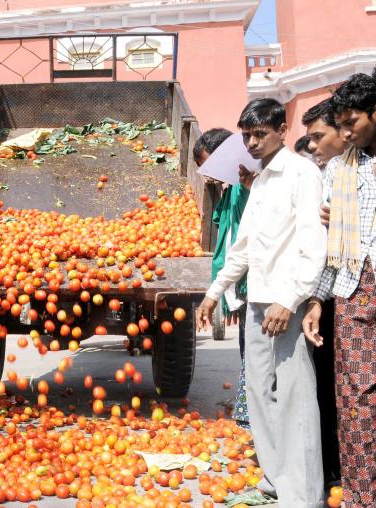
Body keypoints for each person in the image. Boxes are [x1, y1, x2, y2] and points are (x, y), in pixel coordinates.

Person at [196, 98, 327, 507]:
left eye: (259, 134)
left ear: (281, 129)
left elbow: (312, 243)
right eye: (247, 135)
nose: (252, 143)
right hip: (257, 303)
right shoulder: (262, 179)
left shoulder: (302, 174)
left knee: (294, 396)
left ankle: (304, 496)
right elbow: (243, 247)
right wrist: (213, 293)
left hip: (285, 304)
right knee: (257, 392)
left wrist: (290, 300)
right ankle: (275, 478)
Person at [303, 73, 376, 508]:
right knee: (355, 399)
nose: (346, 133)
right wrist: (317, 299)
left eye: (353, 123)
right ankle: (362, 498)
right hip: (353, 289)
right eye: (342, 124)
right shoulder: (339, 170)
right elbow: (332, 248)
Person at [301, 97, 349, 489]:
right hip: (333, 295)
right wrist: (317, 299)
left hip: (349, 294)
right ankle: (334, 469)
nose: (313, 146)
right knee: (332, 387)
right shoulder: (330, 173)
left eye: (319, 137)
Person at [193, 128, 251, 429]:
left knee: (254, 357)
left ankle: (254, 424)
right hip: (241, 284)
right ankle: (250, 421)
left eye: (208, 165)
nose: (207, 175)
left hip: (252, 284)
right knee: (249, 354)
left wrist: (221, 292)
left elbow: (240, 244)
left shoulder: (243, 189)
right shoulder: (232, 189)